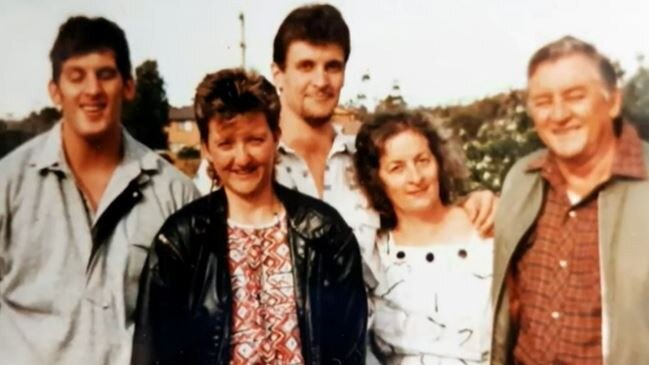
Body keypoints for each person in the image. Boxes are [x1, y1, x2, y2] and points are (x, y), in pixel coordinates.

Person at [131, 68, 367, 365]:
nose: (242, 158)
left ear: (275, 137)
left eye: (255, 140)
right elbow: (152, 356)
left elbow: (349, 354)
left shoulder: (325, 232)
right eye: (226, 143)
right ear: (206, 147)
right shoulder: (181, 240)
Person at [0, 16, 198, 365]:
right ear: (55, 91)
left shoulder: (175, 195)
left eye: (105, 74)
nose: (92, 90)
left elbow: (196, 323)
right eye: (77, 76)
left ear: (129, 86)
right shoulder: (8, 185)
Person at [491, 36, 649, 364]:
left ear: (613, 102)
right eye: (544, 101)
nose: (559, 114)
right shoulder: (521, 179)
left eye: (575, 96)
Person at [354, 112, 493, 364]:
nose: (416, 178)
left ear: (439, 163)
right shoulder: (372, 253)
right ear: (376, 179)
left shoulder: (485, 229)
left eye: (422, 160)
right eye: (397, 168)